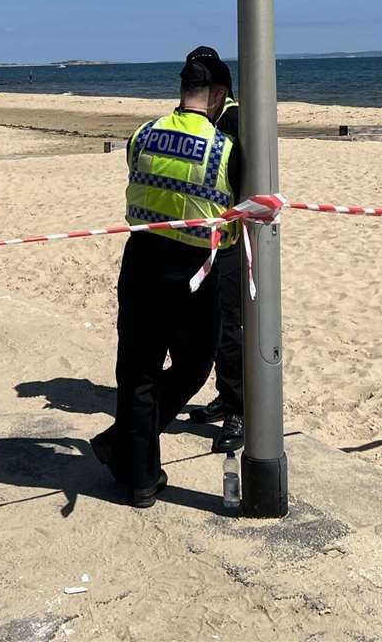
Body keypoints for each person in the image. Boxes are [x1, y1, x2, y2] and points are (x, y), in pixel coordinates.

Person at [90, 54, 236, 507]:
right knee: (194, 365)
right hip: (194, 271)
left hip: (140, 262)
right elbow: (235, 212)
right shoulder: (223, 149)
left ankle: (139, 475)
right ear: (216, 97)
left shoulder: (142, 134)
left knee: (137, 371)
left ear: (183, 90)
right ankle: (129, 453)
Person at [184, 46, 245, 453]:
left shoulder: (236, 120)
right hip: (199, 240)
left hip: (232, 242)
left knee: (231, 328)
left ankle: (240, 409)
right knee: (210, 325)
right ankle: (226, 396)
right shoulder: (201, 119)